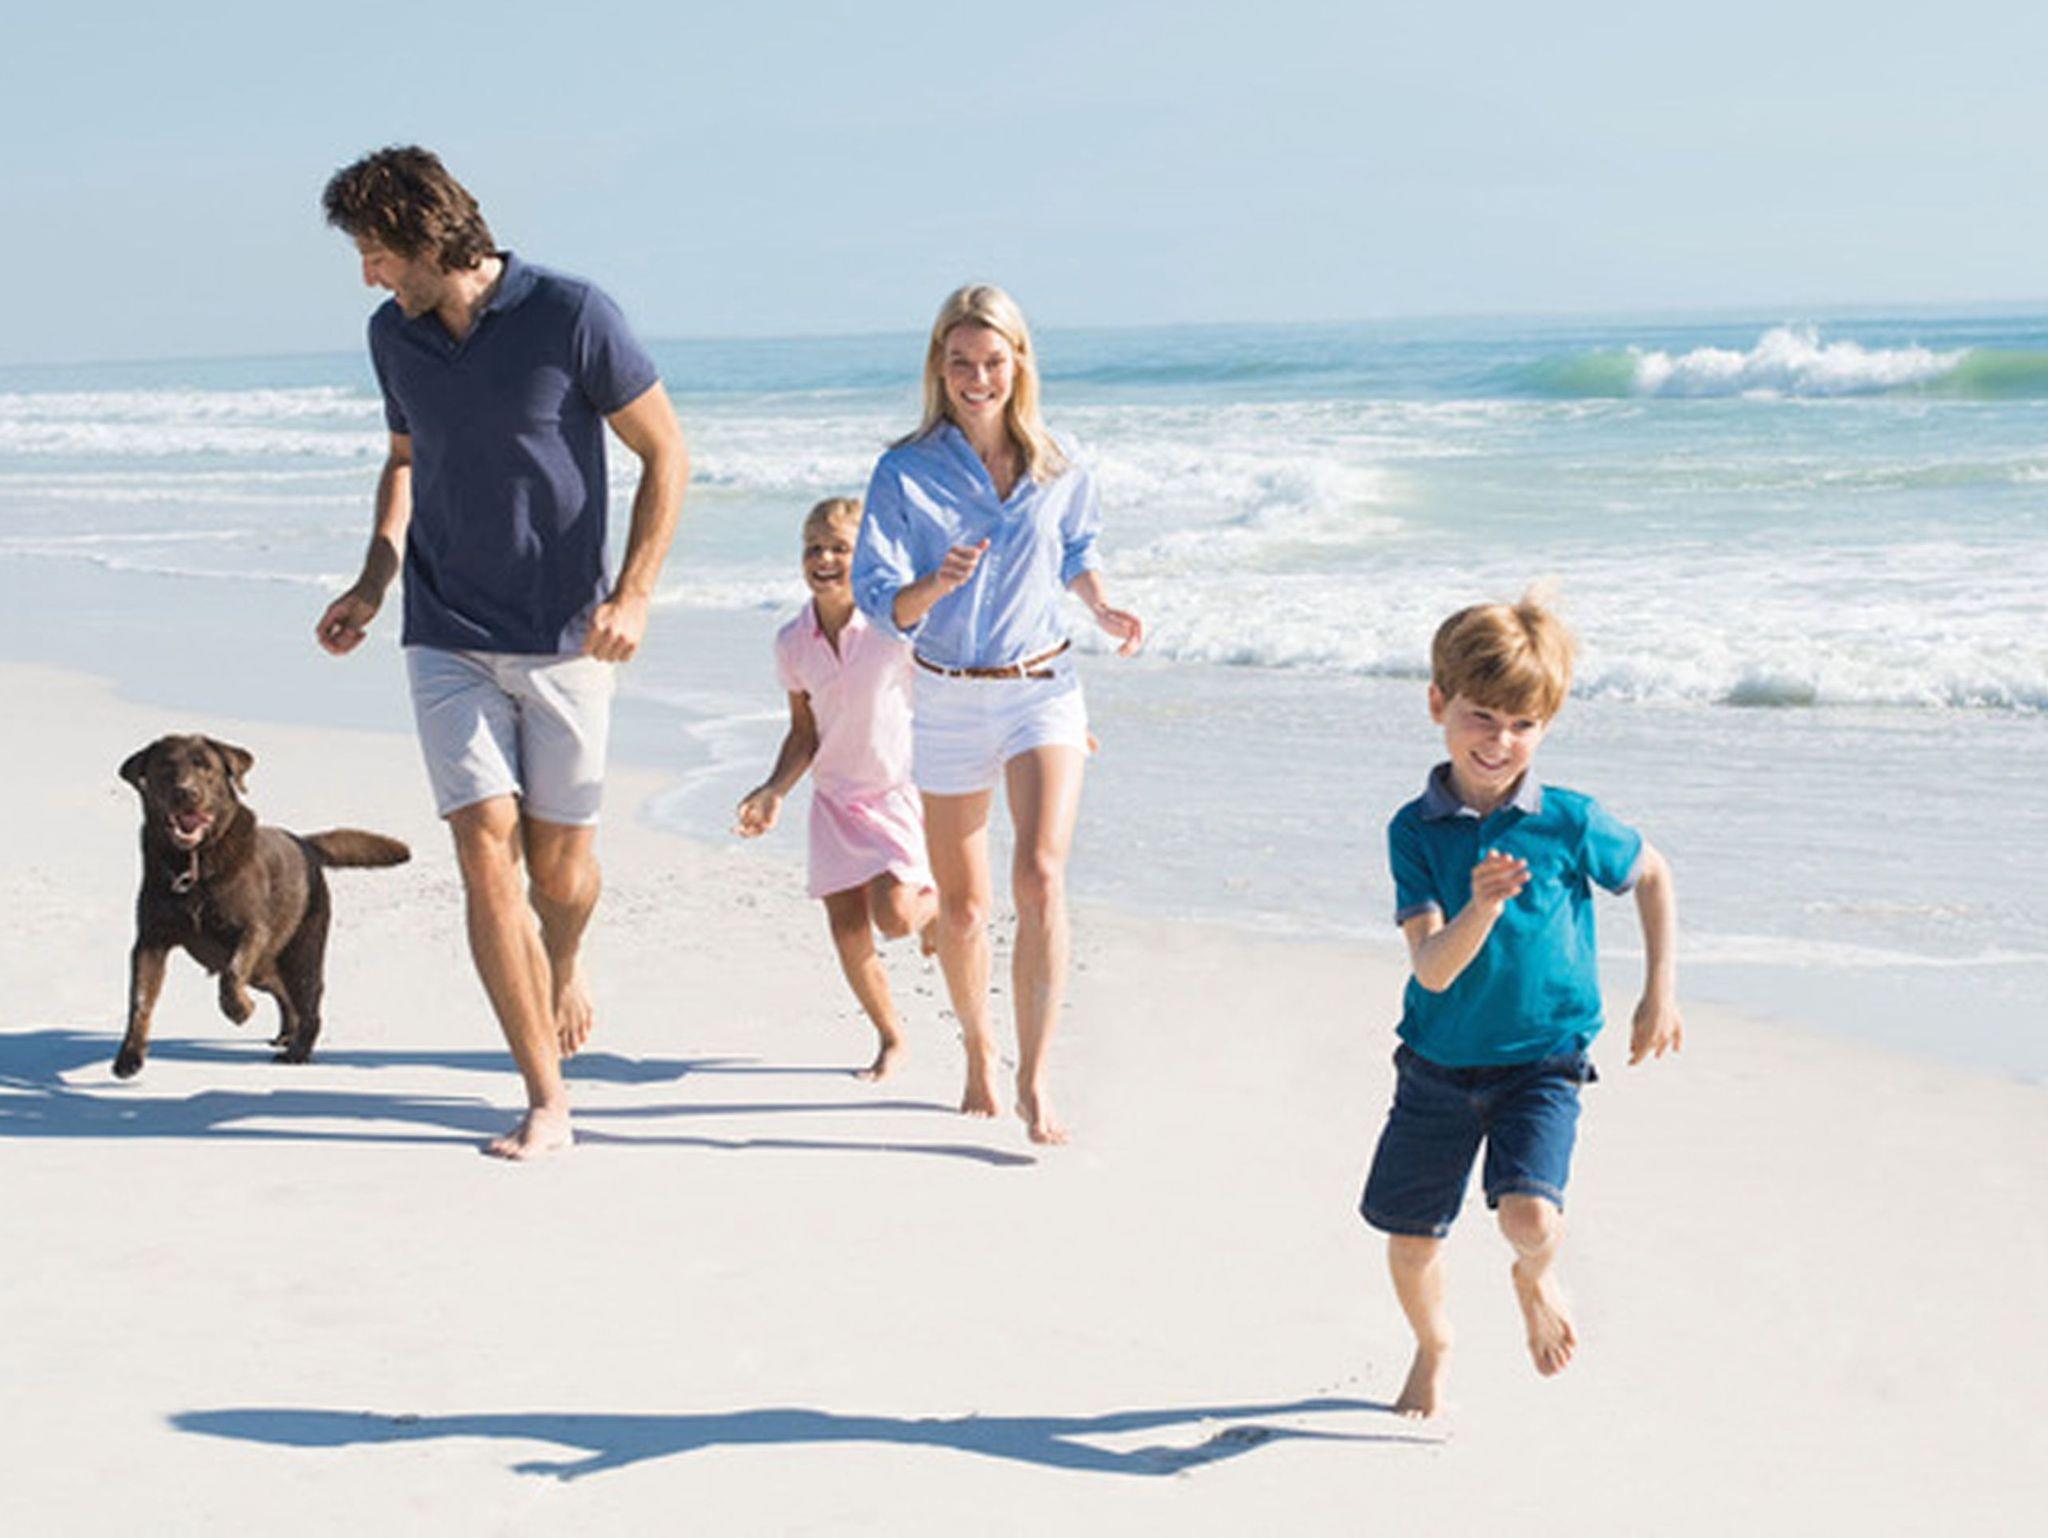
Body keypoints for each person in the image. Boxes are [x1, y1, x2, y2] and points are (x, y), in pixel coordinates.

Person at [313, 146, 689, 1160]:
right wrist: (374, 578)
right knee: (485, 849)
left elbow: (665, 451)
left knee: (558, 873)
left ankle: (562, 958)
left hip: (565, 636)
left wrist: (634, 594)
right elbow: (404, 461)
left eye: (376, 251)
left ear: (427, 236)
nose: (368, 276)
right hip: (445, 632)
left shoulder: (572, 313)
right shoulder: (392, 336)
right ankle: (545, 1097)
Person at [1360, 594, 1681, 1418]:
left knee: (1531, 1218)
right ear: (1438, 703)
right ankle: (1434, 1346)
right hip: (1436, 1064)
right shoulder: (1414, 831)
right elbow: (1432, 971)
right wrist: (1482, 907)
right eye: (1482, 717)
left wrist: (1659, 990)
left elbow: (1651, 873)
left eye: (1523, 725)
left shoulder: (1568, 820)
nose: (1499, 742)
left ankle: (1535, 1280)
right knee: (1409, 1242)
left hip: (1543, 1059)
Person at [851, 284, 1143, 1145]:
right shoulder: (904, 471)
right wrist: (935, 584)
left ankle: (1035, 1076)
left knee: (1041, 876)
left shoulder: (1059, 463)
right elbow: (877, 596)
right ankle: (979, 1047)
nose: (977, 379)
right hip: (946, 697)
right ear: (939, 368)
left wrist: (1101, 604)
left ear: (1019, 363)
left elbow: (1078, 548)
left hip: (1043, 687)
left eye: (992, 361)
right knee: (966, 911)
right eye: (961, 363)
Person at [734, 497, 937, 1081]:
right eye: (813, 548)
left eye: (840, 549)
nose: (823, 559)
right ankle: (891, 1038)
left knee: (896, 917)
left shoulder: (892, 628)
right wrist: (774, 789)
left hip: (895, 791)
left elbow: (952, 686)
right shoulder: (791, 641)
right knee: (848, 931)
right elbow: (804, 732)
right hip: (833, 801)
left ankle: (940, 910)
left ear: (866, 556)